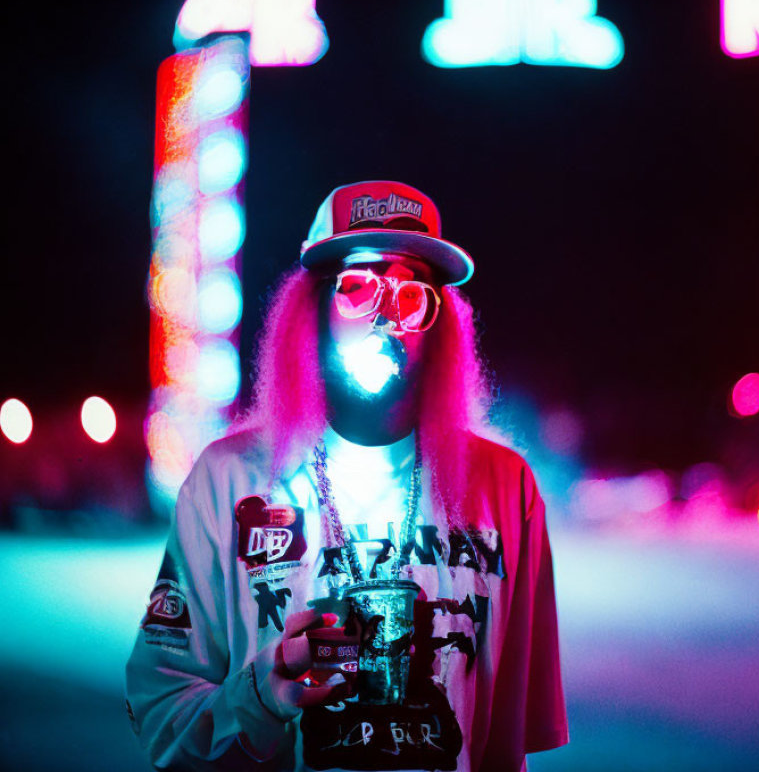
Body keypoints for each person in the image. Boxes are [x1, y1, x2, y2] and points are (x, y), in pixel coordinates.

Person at [125, 180, 568, 772]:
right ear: (310, 312)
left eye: (411, 296)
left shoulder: (506, 490)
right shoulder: (227, 482)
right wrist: (264, 693)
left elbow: (508, 745)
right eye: (357, 288)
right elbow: (160, 716)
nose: (385, 316)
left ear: (439, 326)